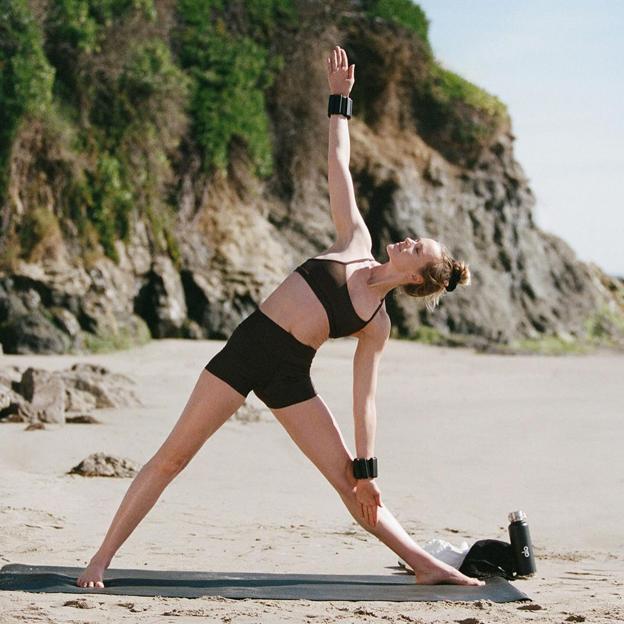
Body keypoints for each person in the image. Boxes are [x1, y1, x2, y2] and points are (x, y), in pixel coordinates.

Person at [77, 45, 480, 589]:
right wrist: (340, 98)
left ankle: (426, 565)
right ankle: (101, 557)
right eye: (413, 240)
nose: (406, 240)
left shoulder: (375, 324)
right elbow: (337, 162)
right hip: (243, 354)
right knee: (172, 458)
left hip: (290, 376)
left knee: (348, 484)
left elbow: (365, 401)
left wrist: (367, 470)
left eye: (416, 249)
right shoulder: (354, 242)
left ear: (415, 277)